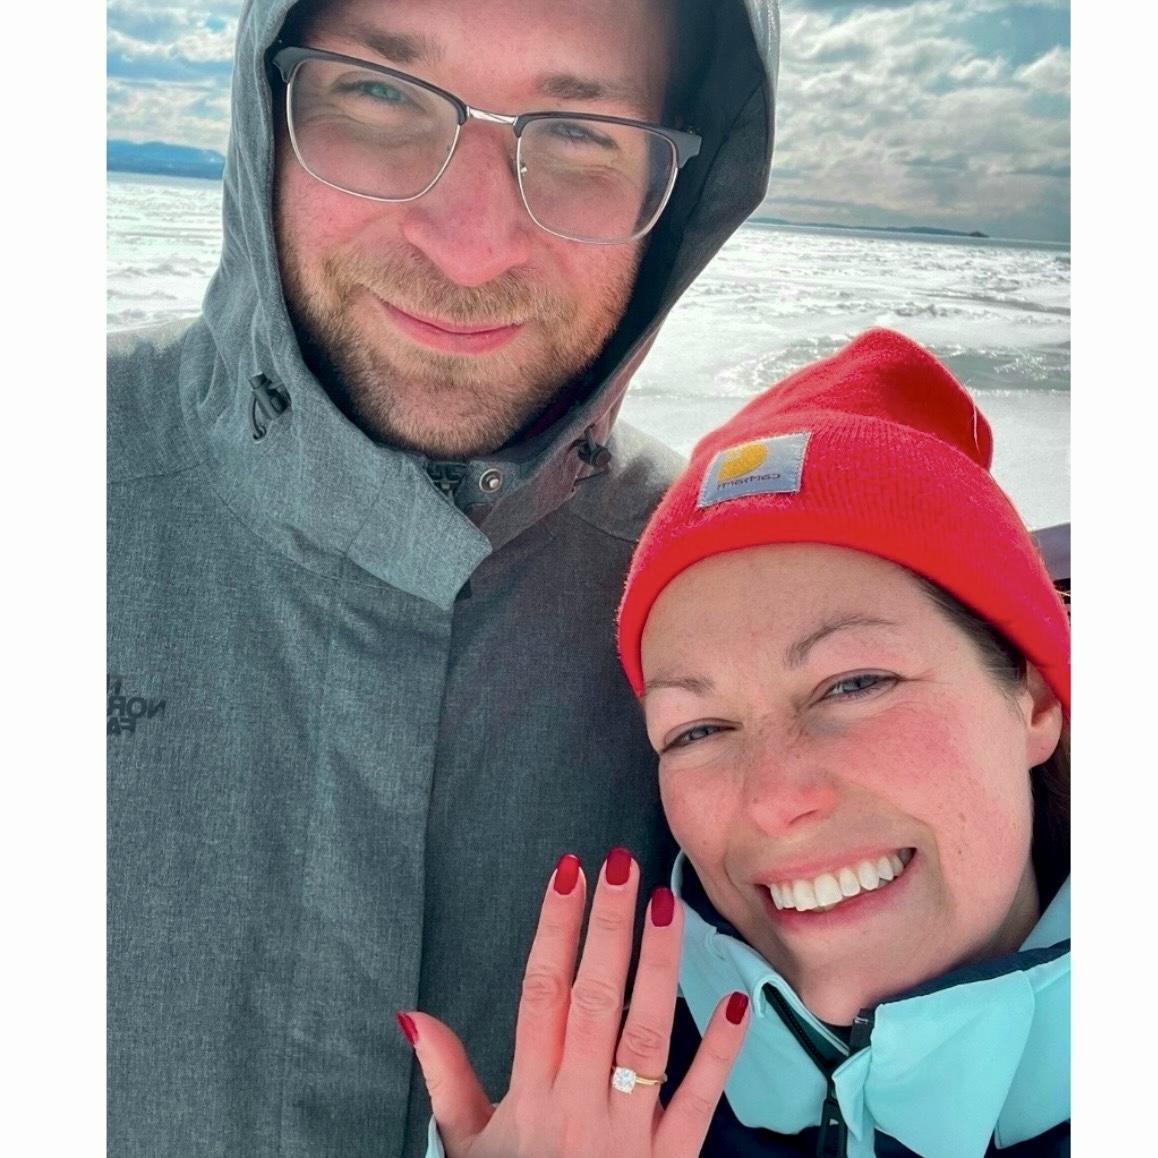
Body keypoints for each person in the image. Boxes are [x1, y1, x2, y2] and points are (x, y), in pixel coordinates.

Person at [106, 0, 779, 1154]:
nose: (470, 242)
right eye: (379, 94)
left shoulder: (716, 591)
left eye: (579, 136)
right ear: (266, 106)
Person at [406, 329, 1070, 1156]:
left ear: (1034, 698)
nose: (775, 797)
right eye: (700, 729)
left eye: (853, 683)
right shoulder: (580, 1110)